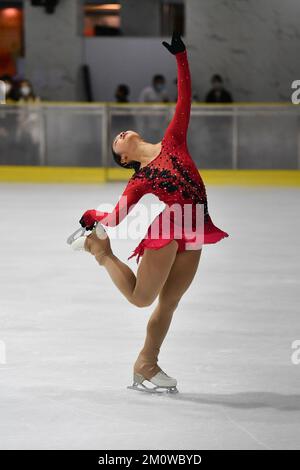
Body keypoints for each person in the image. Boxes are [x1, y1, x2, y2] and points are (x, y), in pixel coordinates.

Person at [73, 33, 229, 393]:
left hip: (196, 227)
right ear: (123, 159)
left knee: (170, 302)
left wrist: (181, 56)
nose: (121, 135)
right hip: (171, 228)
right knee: (142, 299)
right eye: (116, 142)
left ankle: (147, 362)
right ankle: (101, 252)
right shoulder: (140, 179)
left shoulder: (173, 139)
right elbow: (114, 218)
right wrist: (91, 218)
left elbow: (184, 99)